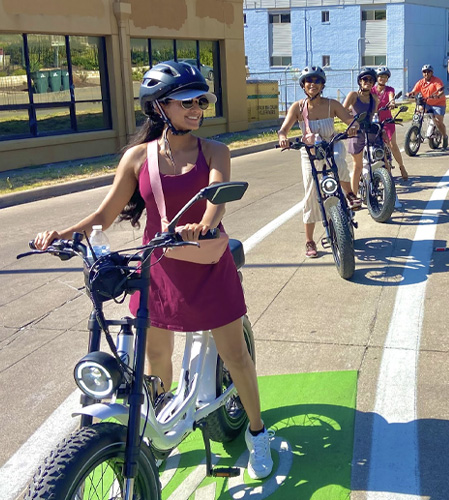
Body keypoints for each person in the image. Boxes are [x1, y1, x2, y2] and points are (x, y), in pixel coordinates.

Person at [33, 60, 273, 480]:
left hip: (203, 260)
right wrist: (61, 234)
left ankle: (257, 431)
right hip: (157, 267)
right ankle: (158, 434)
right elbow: (104, 215)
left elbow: (216, 203)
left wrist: (204, 223)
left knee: (236, 356)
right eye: (186, 102)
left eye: (202, 100)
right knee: (155, 359)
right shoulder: (136, 158)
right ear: (158, 107)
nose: (197, 108)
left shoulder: (216, 151)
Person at [277, 66, 360, 259]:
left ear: (322, 85)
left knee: (339, 159)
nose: (312, 84)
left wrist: (353, 125)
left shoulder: (332, 104)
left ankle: (349, 193)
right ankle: (309, 240)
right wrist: (283, 137)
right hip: (309, 151)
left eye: (316, 81)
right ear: (303, 85)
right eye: (309, 81)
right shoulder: (298, 107)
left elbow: (349, 119)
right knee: (311, 192)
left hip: (331, 145)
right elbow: (284, 129)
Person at [343, 67, 380, 199]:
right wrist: (352, 123)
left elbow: (374, 114)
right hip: (356, 133)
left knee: (381, 157)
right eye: (365, 79)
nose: (368, 82)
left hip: (369, 131)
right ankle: (354, 197)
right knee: (357, 166)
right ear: (360, 81)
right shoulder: (353, 95)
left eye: (371, 80)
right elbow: (343, 111)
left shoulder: (374, 98)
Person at [371, 66, 409, 181]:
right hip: (374, 121)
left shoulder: (389, 89)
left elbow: (391, 98)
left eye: (385, 77)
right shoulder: (371, 90)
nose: (382, 79)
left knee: (393, 144)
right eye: (380, 76)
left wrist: (392, 103)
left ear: (387, 79)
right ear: (376, 78)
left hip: (387, 122)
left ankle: (402, 167)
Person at [406, 64, 448, 150]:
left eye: (428, 72)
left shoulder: (437, 81)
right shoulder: (421, 82)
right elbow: (414, 91)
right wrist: (410, 94)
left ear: (431, 73)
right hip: (426, 103)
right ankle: (416, 130)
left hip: (438, 103)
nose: (426, 74)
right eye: (424, 72)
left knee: (438, 121)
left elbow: (441, 91)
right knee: (418, 112)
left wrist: (438, 95)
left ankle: (444, 136)